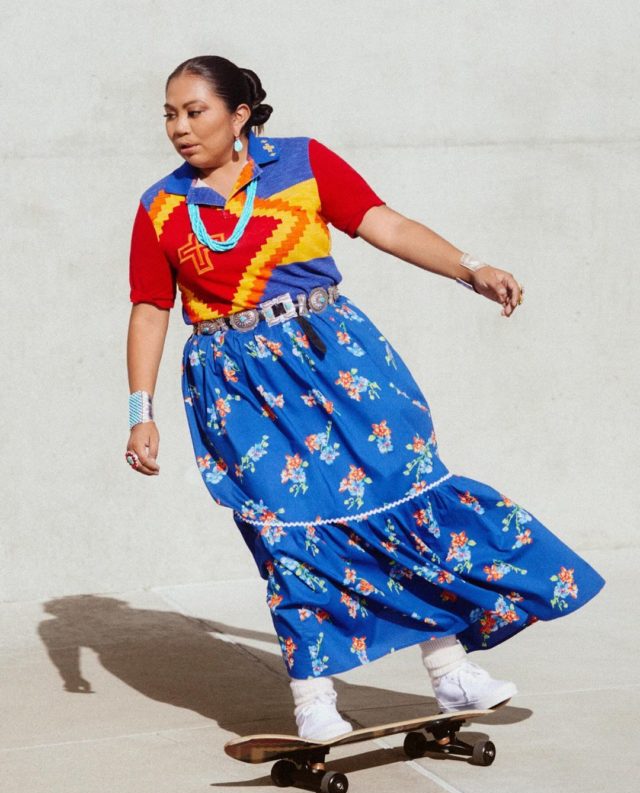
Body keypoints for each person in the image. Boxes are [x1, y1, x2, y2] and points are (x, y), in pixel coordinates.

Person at [125, 55, 605, 741]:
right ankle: (313, 697)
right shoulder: (161, 205)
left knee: (399, 500)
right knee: (287, 530)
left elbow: (386, 224)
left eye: (193, 111)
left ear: (238, 115)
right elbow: (149, 309)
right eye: (169, 114)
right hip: (237, 387)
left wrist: (470, 268)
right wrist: (141, 412)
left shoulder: (303, 162)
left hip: (339, 362)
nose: (178, 127)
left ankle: (450, 671)